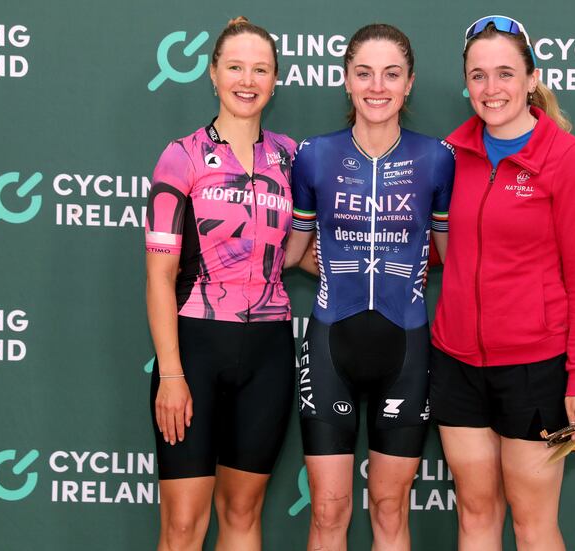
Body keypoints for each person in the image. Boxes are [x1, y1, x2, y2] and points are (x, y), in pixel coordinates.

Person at [430, 15, 575, 551]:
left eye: (505, 73)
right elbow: (433, 249)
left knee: (532, 524)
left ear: (531, 79)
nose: (491, 89)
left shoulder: (567, 160)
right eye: (478, 76)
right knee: (477, 515)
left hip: (534, 367)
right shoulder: (449, 155)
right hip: (456, 361)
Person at [284, 23, 455, 551]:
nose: (377, 87)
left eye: (391, 74)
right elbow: (292, 252)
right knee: (329, 511)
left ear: (409, 84)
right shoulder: (314, 155)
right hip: (331, 342)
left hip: (405, 347)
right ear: (346, 81)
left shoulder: (437, 158)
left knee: (389, 509)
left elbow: (452, 255)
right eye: (364, 73)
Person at [144, 16, 297, 551]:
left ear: (276, 80)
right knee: (184, 526)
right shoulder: (181, 156)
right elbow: (159, 278)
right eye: (235, 66)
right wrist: (170, 373)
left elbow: (302, 250)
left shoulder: (291, 158)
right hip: (196, 347)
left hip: (270, 352)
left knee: (242, 512)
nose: (247, 80)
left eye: (260, 69)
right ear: (213, 74)